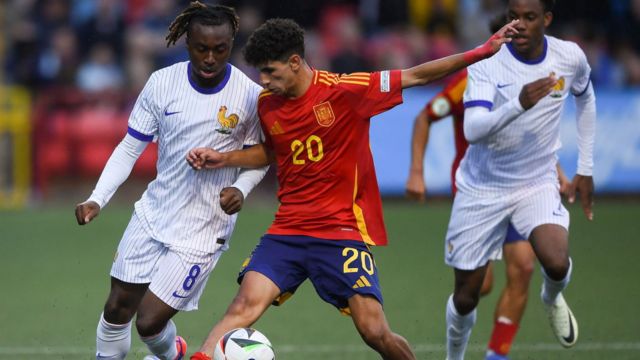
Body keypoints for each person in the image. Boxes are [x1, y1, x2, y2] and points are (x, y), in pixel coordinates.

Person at [185, 17, 519, 360]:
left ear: (295, 62)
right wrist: (223, 158)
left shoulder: (347, 90)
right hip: (288, 229)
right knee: (243, 306)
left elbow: (416, 75)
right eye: (261, 74)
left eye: (270, 71)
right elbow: (274, 151)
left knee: (374, 331)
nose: (264, 81)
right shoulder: (269, 104)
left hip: (340, 230)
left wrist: (482, 52)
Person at [74, 3, 267, 359]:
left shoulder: (250, 95)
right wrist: (97, 197)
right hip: (154, 213)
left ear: (231, 43)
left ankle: (172, 352)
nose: (210, 57)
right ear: (186, 42)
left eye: (220, 49)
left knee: (149, 322)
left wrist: (241, 188)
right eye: (201, 48)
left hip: (204, 227)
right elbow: (130, 148)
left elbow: (262, 157)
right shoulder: (162, 83)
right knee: (117, 309)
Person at [442, 0, 596, 359]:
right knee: (466, 297)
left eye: (530, 18)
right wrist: (519, 104)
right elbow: (473, 128)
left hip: (536, 182)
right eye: (514, 17)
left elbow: (586, 97)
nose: (521, 25)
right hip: (483, 187)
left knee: (555, 262)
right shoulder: (487, 63)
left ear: (547, 19)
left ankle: (552, 296)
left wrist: (585, 168)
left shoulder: (569, 57)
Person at [406, 68, 572, 360]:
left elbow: (538, 135)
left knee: (524, 267)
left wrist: (558, 174)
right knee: (479, 286)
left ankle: (497, 354)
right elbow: (426, 116)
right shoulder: (467, 82)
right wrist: (417, 171)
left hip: (522, 189)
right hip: (479, 193)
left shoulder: (532, 79)